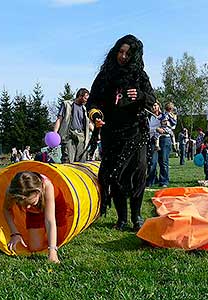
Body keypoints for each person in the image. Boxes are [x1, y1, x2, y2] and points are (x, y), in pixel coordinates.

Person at [87, 34, 155, 231]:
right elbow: (93, 102)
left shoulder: (140, 76)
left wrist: (140, 95)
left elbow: (151, 98)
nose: (123, 56)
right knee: (115, 175)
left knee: (139, 171)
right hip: (112, 131)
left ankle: (137, 216)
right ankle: (122, 218)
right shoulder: (105, 76)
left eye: (127, 53)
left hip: (136, 132)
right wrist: (96, 115)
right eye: (120, 51)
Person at [3, 171, 59, 263]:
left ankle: (49, 237)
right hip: (35, 213)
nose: (27, 207)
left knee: (60, 239)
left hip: (56, 205)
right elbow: (6, 209)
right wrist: (15, 233)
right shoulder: (12, 191)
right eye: (23, 204)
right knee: (35, 247)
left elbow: (50, 220)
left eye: (31, 203)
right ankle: (43, 233)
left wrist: (52, 251)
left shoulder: (47, 186)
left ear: (38, 192)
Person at [53, 88, 92, 163]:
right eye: (85, 98)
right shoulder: (67, 105)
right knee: (68, 159)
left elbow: (89, 123)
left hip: (81, 137)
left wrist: (97, 133)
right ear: (80, 96)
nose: (86, 100)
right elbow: (59, 119)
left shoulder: (85, 109)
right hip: (68, 135)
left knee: (81, 161)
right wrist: (55, 133)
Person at [146, 101, 172, 188]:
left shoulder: (163, 116)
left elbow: (168, 127)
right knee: (152, 162)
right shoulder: (149, 117)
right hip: (153, 140)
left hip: (164, 139)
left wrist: (161, 128)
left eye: (155, 105)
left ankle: (164, 181)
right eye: (152, 106)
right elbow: (148, 129)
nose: (153, 107)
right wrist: (155, 129)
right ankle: (151, 180)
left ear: (158, 106)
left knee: (163, 161)